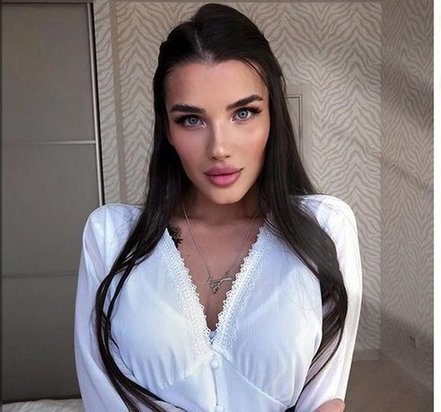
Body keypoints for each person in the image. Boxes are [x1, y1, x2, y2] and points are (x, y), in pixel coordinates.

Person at [74, 3, 362, 411]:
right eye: (191, 120)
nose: (219, 148)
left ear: (273, 117)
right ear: (167, 129)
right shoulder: (110, 237)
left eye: (243, 113)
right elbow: (103, 397)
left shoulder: (326, 228)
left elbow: (323, 399)